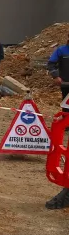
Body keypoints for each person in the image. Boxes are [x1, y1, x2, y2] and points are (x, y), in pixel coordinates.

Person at [46, 34, 69, 209]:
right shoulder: (61, 50)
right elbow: (51, 63)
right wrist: (56, 76)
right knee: (66, 109)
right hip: (66, 85)